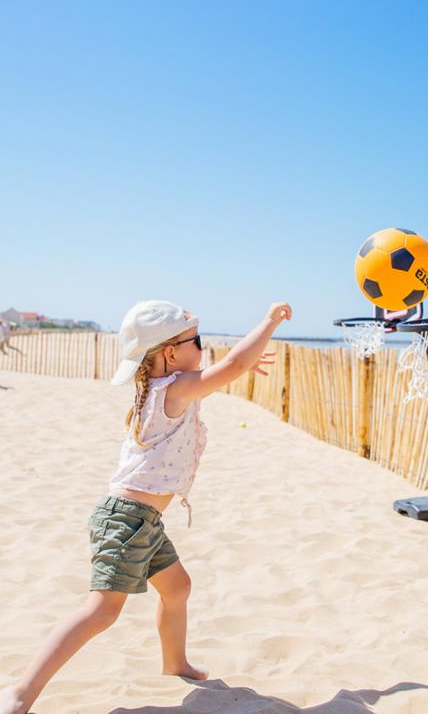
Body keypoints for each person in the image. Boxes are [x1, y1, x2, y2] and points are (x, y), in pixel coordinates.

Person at [0, 298, 292, 714]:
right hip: (127, 519)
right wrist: (268, 321)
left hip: (143, 521)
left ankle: (175, 664)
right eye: (197, 341)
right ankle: (21, 692)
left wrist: (241, 362)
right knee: (101, 611)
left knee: (178, 588)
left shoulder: (160, 388)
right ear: (171, 353)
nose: (202, 350)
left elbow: (230, 368)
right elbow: (232, 367)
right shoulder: (173, 389)